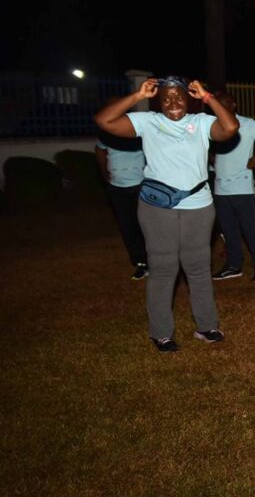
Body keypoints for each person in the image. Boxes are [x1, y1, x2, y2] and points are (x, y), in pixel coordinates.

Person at [94, 76, 240, 353]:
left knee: (198, 267)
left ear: (188, 99)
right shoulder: (148, 122)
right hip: (158, 208)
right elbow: (104, 120)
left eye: (179, 96)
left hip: (198, 205)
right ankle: (162, 333)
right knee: (163, 269)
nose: (173, 102)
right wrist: (137, 96)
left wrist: (207, 97)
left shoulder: (201, 122)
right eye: (166, 98)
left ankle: (206, 326)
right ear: (158, 102)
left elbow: (230, 127)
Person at [210, 92, 255, 284]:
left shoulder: (247, 124)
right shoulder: (214, 125)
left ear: (234, 105)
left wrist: (254, 160)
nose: (221, 107)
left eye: (225, 104)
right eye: (218, 104)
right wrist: (213, 160)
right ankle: (234, 266)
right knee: (228, 229)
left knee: (250, 229)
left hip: (241, 188)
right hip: (220, 188)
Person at [95, 122, 148, 280]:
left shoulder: (139, 133)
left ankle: (155, 260)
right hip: (117, 187)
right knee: (127, 225)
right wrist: (105, 175)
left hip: (141, 185)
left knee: (146, 225)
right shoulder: (106, 134)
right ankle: (141, 262)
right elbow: (99, 151)